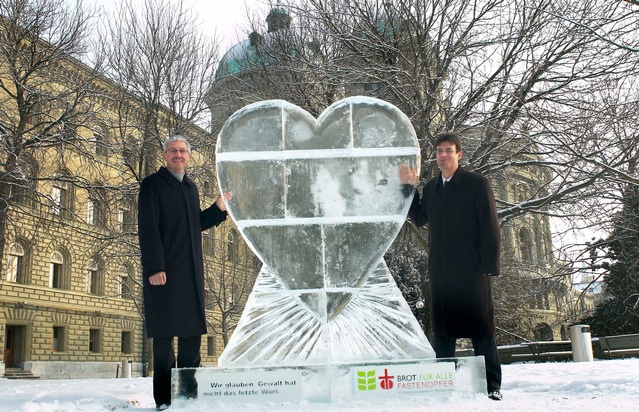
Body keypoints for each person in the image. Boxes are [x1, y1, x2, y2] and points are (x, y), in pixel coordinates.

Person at [400, 132, 503, 401]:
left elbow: (490, 226)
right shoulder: (431, 188)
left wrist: (490, 265)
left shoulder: (477, 184)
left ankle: (493, 385)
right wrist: (408, 189)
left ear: (459, 154)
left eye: (449, 150)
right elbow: (420, 218)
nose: (443, 155)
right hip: (442, 271)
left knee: (481, 329)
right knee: (444, 330)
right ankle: (442, 382)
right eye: (439, 151)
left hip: (473, 269)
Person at [138, 135, 232, 410]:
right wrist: (155, 267)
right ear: (164, 156)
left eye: (183, 151)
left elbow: (194, 224)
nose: (178, 155)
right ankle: (165, 402)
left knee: (191, 337)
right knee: (164, 339)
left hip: (190, 273)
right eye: (173, 151)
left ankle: (188, 399)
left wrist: (217, 209)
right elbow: (148, 227)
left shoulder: (190, 188)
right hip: (164, 272)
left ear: (188, 156)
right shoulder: (152, 185)